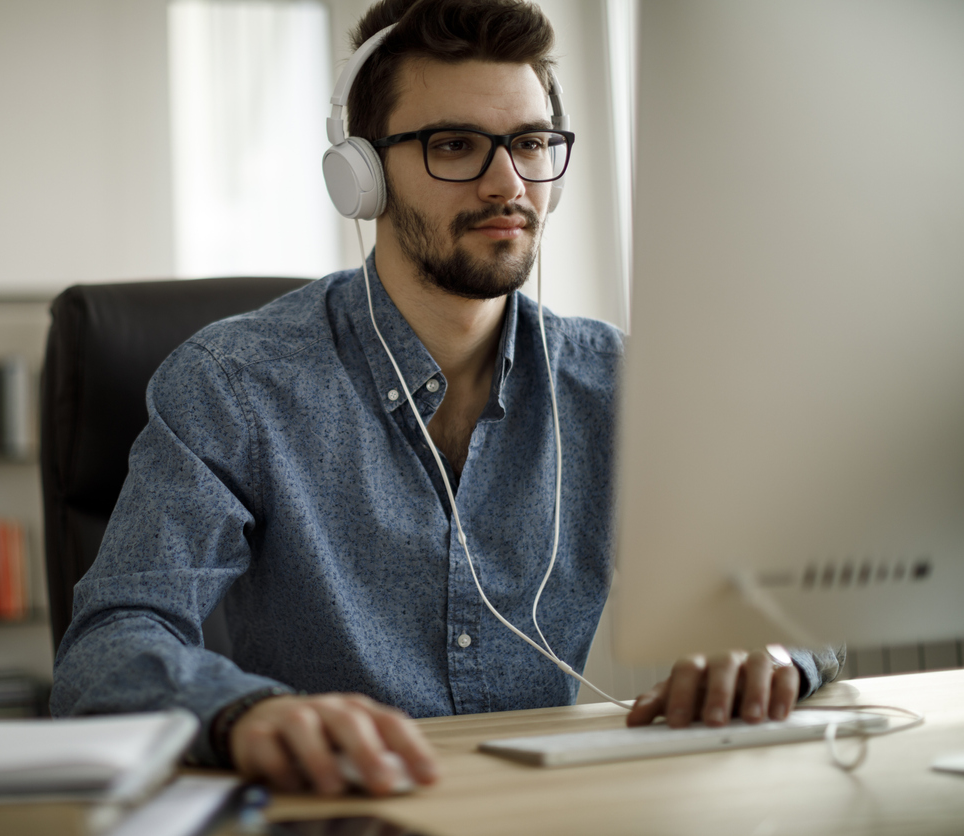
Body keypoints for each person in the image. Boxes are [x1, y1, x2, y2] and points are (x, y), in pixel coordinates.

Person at [50, 0, 842, 797]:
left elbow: (793, 596)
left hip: (549, 810)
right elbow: (108, 645)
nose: (508, 183)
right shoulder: (233, 384)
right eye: (454, 146)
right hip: (343, 808)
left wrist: (770, 651)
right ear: (361, 175)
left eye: (531, 144)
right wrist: (238, 715)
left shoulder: (617, 383)